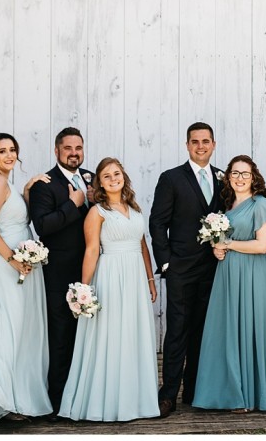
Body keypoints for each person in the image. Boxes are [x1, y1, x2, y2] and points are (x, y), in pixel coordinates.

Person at [59, 157, 160, 421]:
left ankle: (136, 400)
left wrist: (150, 279)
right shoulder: (97, 212)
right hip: (111, 275)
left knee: (134, 334)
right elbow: (92, 250)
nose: (113, 178)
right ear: (100, 184)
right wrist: (84, 289)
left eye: (116, 173)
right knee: (111, 334)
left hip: (135, 278)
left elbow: (143, 246)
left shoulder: (135, 208)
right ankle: (106, 402)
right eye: (106, 176)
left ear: (123, 177)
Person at [193, 155, 266, 412]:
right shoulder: (227, 205)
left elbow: (261, 245)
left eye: (245, 173)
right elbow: (220, 240)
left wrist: (227, 244)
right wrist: (217, 248)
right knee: (228, 330)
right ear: (228, 177)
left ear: (253, 177)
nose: (239, 178)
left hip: (253, 274)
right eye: (235, 173)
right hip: (228, 273)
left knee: (251, 326)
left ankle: (251, 395)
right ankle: (230, 392)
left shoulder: (261, 204)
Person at [0, 133, 52, 422]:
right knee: (5, 331)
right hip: (1, 265)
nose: (9, 155)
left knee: (16, 330)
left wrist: (27, 190)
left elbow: (13, 215)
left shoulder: (3, 181)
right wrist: (12, 259)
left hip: (13, 264)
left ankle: (15, 397)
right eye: (2, 151)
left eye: (12, 150)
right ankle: (4, 402)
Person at [149, 122, 225, 418]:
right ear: (187, 145)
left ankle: (193, 391)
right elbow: (158, 222)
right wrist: (166, 262)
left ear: (213, 144)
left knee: (202, 331)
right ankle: (168, 394)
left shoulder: (223, 177)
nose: (201, 146)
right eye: (195, 141)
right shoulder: (171, 178)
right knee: (177, 332)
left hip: (213, 268)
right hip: (180, 268)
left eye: (206, 141)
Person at [25, 126, 93, 418]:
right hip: (60, 274)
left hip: (92, 270)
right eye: (68, 148)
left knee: (87, 336)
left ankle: (85, 394)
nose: (74, 153)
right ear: (56, 151)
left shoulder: (91, 179)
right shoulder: (45, 184)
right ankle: (58, 401)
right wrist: (72, 204)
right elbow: (43, 226)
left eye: (78, 148)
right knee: (61, 336)